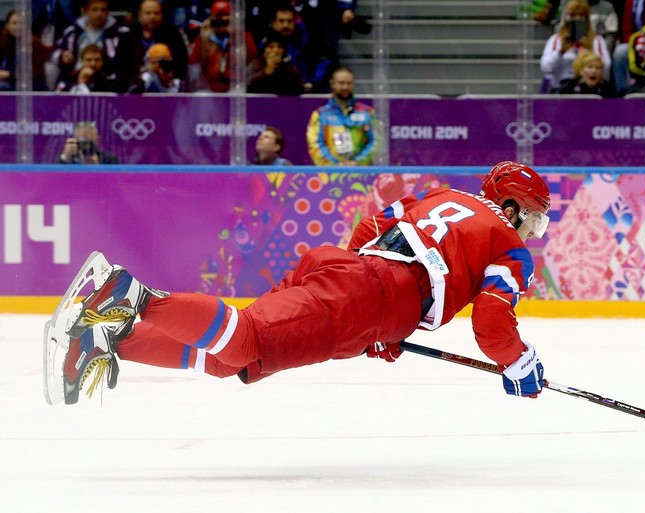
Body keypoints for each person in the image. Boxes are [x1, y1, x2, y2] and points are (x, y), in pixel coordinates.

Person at [43, 161, 552, 406]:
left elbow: (375, 224)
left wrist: (378, 312)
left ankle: (111, 340)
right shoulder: (510, 246)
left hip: (345, 270)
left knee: (233, 359)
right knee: (246, 338)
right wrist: (517, 362)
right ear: (509, 206)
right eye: (531, 217)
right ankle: (128, 296)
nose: (532, 230)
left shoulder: (445, 196)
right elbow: (490, 318)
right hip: (372, 295)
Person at [52, 0, 129, 90]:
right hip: (73, 80)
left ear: (108, 12)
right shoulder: (72, 32)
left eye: (103, 10)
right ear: (85, 11)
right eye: (95, 10)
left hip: (108, 82)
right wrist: (61, 55)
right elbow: (54, 54)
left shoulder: (121, 34)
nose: (99, 14)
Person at [306, 67, 375, 166]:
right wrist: (334, 165)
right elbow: (315, 144)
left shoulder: (368, 113)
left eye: (349, 83)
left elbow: (375, 142)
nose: (345, 87)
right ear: (332, 84)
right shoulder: (321, 114)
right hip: (330, 173)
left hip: (362, 172)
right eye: (341, 83)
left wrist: (358, 162)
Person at [115, 0, 190, 91]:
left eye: (156, 13)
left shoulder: (173, 35)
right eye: (148, 13)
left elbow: (181, 64)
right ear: (140, 15)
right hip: (136, 86)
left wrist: (168, 73)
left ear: (162, 15)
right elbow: (121, 68)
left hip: (166, 84)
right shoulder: (128, 37)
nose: (152, 16)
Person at [540, 0, 612, 93]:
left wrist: (590, 50)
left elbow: (606, 67)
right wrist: (561, 51)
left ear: (587, 18)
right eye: (573, 15)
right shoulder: (556, 39)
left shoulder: (596, 40)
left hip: (589, 89)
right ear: (566, 17)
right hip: (561, 89)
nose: (577, 19)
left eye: (581, 15)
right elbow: (546, 68)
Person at [188, 0, 257, 93]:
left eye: (224, 22)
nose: (220, 27)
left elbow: (251, 57)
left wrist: (236, 33)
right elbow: (193, 63)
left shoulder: (242, 36)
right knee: (200, 95)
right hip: (209, 87)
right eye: (217, 22)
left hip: (234, 86)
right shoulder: (204, 36)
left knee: (238, 93)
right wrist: (204, 40)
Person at [247, 31, 306, 95]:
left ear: (283, 51)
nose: (276, 50)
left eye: (279, 47)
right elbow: (248, 87)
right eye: (271, 47)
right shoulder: (255, 65)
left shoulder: (289, 67)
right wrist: (267, 71)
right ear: (264, 51)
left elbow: (299, 89)